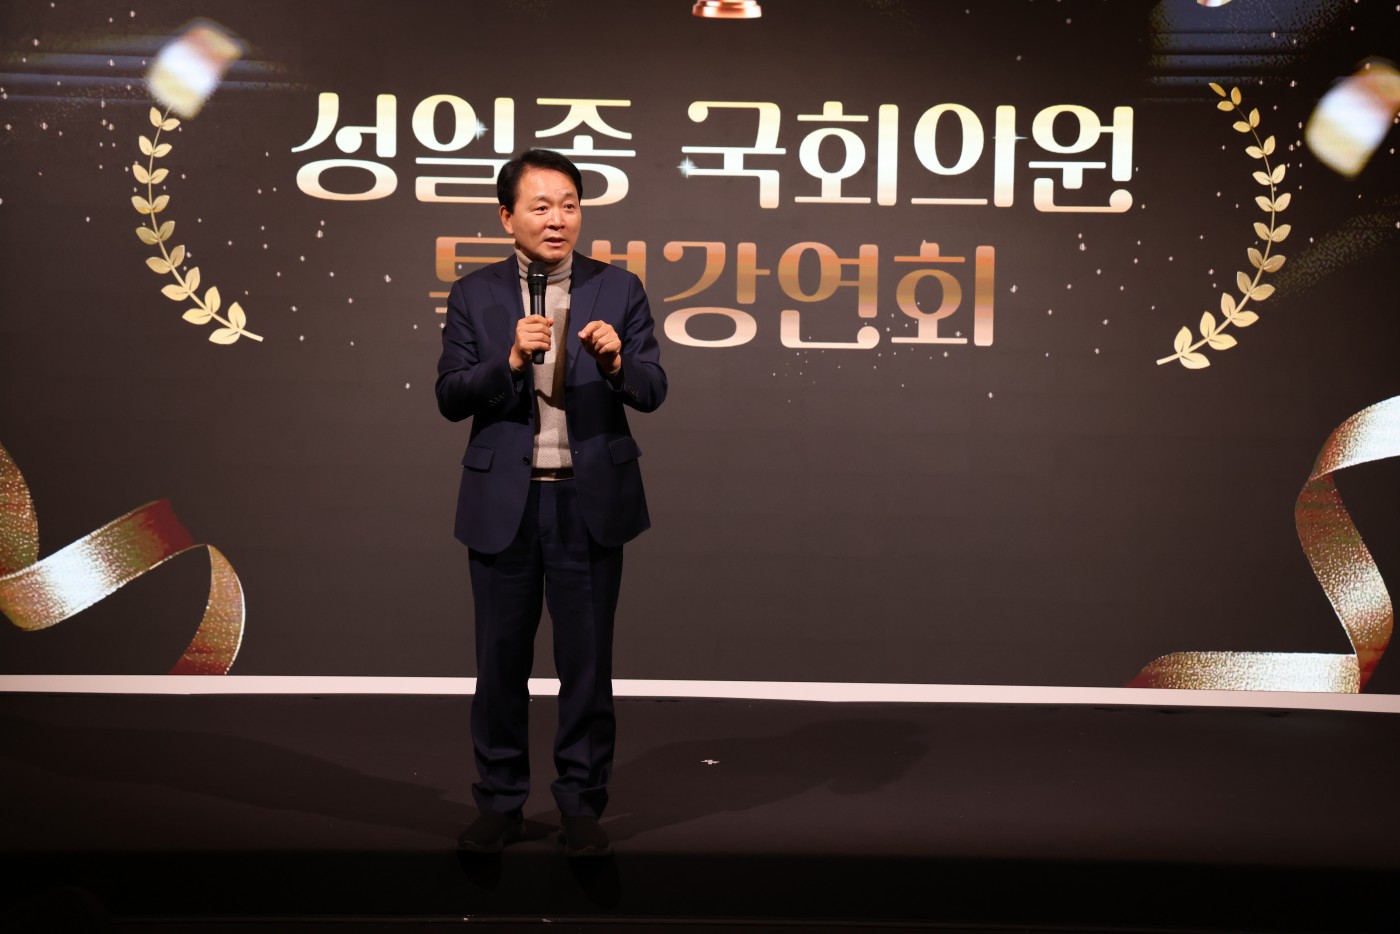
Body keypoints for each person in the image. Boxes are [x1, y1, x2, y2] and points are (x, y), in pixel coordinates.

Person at [435, 149, 666, 857]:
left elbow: (654, 388)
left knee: (587, 666)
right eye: (540, 206)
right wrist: (507, 362)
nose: (557, 219)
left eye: (569, 204)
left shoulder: (618, 287)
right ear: (507, 217)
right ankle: (500, 802)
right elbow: (450, 395)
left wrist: (618, 363)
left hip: (587, 502)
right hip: (504, 504)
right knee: (499, 664)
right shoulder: (474, 294)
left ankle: (581, 805)